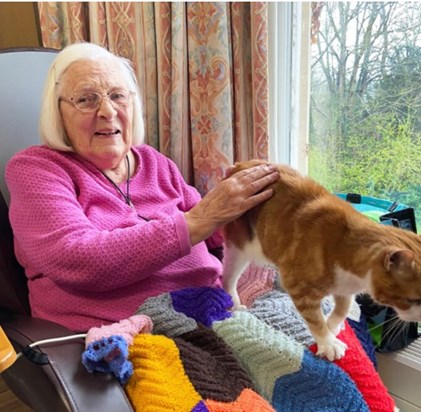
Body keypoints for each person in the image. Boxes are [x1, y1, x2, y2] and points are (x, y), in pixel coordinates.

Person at [5, 43, 279, 332]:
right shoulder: (36, 169)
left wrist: (255, 215)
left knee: (315, 308)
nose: (107, 111)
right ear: (57, 112)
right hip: (135, 332)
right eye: (86, 99)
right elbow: (76, 259)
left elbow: (215, 233)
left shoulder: (153, 162)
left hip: (213, 308)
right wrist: (200, 220)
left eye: (118, 96)